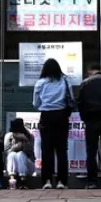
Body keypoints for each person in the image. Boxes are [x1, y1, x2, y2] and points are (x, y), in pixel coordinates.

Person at [32, 58, 74, 190]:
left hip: (46, 116)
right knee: (61, 150)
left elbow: (35, 103)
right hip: (61, 116)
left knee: (47, 150)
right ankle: (62, 181)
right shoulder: (65, 81)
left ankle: (47, 181)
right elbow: (71, 99)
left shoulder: (40, 83)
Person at [4, 118, 35, 189]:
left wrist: (25, 141)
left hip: (28, 166)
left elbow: (30, 153)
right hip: (13, 166)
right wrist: (18, 145)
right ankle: (12, 180)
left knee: (21, 154)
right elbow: (7, 152)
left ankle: (23, 180)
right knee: (12, 154)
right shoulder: (9, 136)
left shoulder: (29, 136)